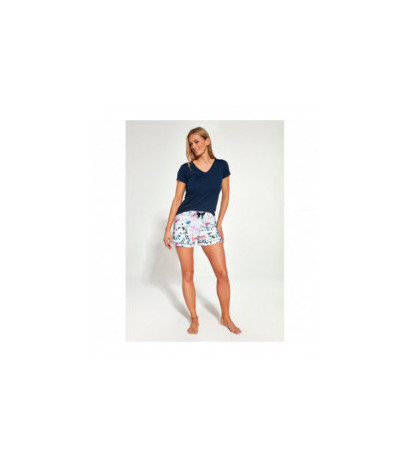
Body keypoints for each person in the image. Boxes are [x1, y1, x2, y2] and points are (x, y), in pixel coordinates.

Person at [163, 127, 241, 335]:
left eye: (197, 141)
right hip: (184, 221)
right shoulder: (186, 169)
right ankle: (194, 318)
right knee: (188, 274)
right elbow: (177, 199)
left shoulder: (222, 166)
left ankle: (226, 316)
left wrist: (219, 223)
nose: (194, 146)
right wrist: (168, 228)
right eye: (191, 144)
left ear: (207, 141)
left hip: (208, 221)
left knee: (222, 273)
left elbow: (226, 196)